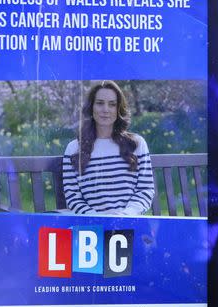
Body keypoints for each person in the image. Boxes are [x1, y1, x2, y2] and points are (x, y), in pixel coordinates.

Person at [62, 81, 155, 215]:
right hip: (92, 227)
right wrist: (98, 219)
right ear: (91, 107)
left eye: (112, 104)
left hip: (129, 223)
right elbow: (73, 196)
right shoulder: (73, 148)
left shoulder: (137, 144)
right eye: (100, 103)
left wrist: (125, 215)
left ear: (118, 110)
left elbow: (145, 190)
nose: (105, 109)